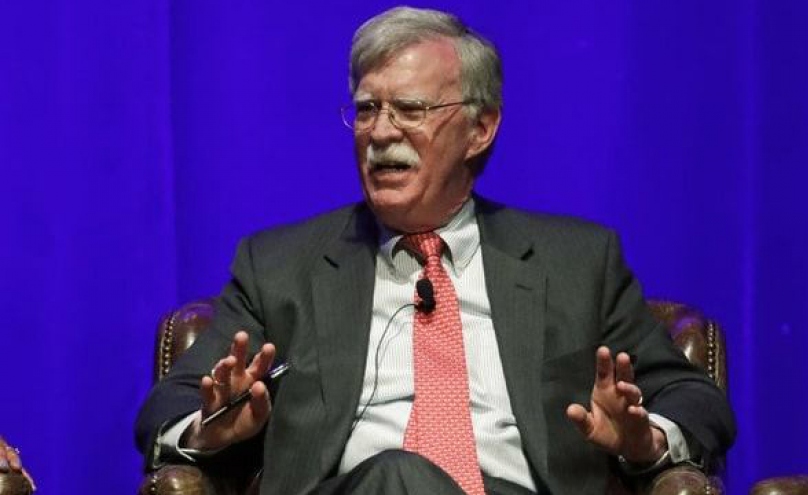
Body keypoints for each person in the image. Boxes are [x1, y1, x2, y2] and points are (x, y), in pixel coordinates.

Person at [135, 6, 735, 495]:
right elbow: (168, 408)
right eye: (367, 109)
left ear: (481, 128)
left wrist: (645, 442)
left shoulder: (578, 262)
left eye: (410, 110)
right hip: (358, 489)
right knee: (399, 475)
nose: (380, 132)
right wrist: (211, 429)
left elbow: (695, 400)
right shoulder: (279, 266)